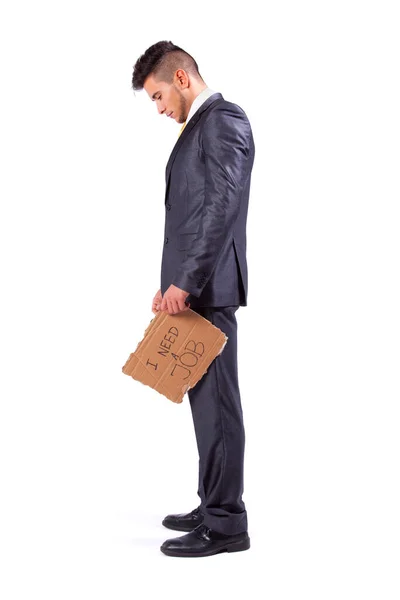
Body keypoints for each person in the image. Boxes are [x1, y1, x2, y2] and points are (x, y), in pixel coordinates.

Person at [131, 41, 255, 558]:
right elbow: (192, 213)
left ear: (181, 79)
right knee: (206, 408)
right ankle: (212, 503)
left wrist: (188, 278)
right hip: (192, 289)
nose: (158, 108)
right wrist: (172, 279)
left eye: (158, 96)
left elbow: (221, 209)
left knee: (219, 407)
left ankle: (227, 525)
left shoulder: (224, 121)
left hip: (208, 290)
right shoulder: (199, 128)